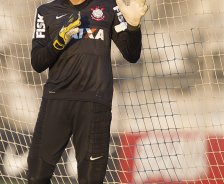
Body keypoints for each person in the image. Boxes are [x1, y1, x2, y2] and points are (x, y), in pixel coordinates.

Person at [27, 0, 148, 183]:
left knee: (91, 180)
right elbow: (37, 63)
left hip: (95, 104)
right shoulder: (46, 11)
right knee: (37, 177)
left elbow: (132, 54)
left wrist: (133, 26)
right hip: (56, 101)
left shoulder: (109, 6)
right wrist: (59, 42)